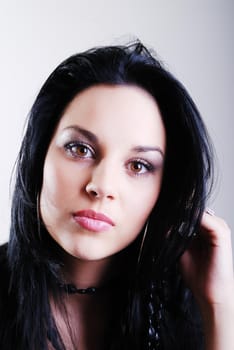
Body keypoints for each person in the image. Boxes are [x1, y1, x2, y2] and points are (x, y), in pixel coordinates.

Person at [0, 40, 233, 350]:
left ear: (165, 189)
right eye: (80, 149)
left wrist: (217, 309)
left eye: (138, 165)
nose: (102, 186)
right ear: (39, 154)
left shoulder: (182, 312)